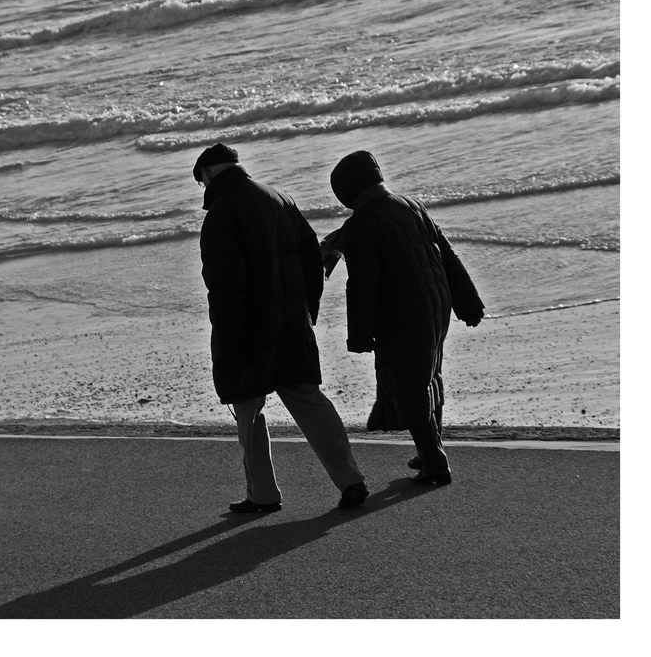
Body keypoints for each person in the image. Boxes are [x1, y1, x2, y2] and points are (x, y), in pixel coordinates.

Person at [194, 143, 368, 513]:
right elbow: (312, 264)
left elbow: (224, 288)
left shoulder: (221, 214)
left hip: (249, 331)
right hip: (291, 323)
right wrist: (307, 313)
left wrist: (228, 344)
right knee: (310, 402)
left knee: (249, 413)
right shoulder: (282, 199)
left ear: (208, 175)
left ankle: (263, 494)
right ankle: (351, 479)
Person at [322, 150, 485, 485]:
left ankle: (435, 461)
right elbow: (448, 256)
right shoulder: (411, 206)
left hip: (401, 313)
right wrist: (468, 303)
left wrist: (360, 336)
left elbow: (364, 285)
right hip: (434, 305)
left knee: (409, 385)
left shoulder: (361, 225)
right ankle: (429, 451)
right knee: (428, 377)